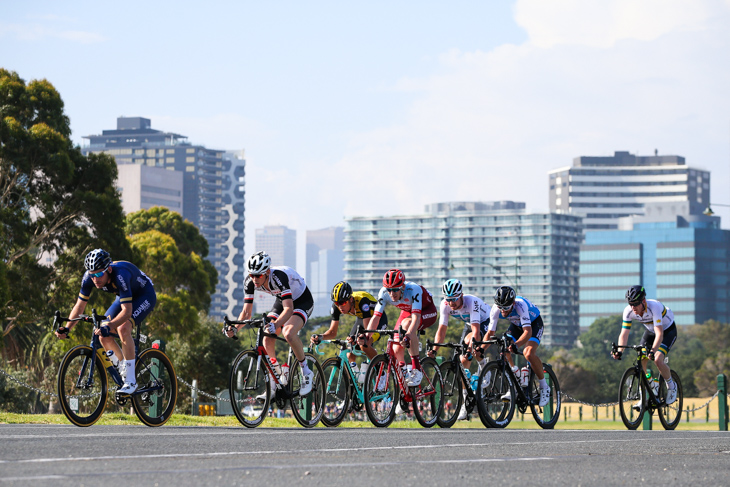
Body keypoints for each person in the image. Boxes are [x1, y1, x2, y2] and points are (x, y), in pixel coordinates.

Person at [55, 248, 156, 395]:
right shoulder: (89, 278)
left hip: (144, 295)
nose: (95, 279)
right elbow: (80, 306)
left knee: (122, 328)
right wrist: (68, 327)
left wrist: (111, 325)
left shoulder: (121, 275)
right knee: (102, 334)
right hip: (123, 297)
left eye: (99, 274)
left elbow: (127, 312)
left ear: (108, 269)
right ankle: (125, 369)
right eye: (92, 275)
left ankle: (131, 381)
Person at [224, 251, 315, 396]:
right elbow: (246, 313)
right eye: (252, 274)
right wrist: (235, 329)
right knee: (266, 337)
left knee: (288, 333)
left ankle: (306, 372)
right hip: (282, 299)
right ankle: (277, 380)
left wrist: (277, 324)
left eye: (258, 275)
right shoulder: (250, 281)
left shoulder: (278, 277)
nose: (254, 279)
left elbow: (289, 308)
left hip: (302, 301)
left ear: (267, 272)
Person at [427, 278, 492, 420]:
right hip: (469, 323)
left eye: (454, 299)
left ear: (461, 295)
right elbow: (441, 331)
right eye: (448, 299)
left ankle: (484, 367)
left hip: (486, 320)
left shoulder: (471, 302)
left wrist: (470, 350)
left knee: (472, 346)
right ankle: (465, 401)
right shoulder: (445, 305)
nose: (451, 303)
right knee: (463, 362)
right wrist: (435, 349)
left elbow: (476, 332)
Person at [366, 269, 438, 387]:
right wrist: (367, 335)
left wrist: (409, 334)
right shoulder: (383, 293)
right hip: (407, 312)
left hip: (426, 311)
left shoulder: (413, 289)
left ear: (402, 286)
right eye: (389, 290)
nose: (392, 293)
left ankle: (416, 369)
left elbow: (415, 318)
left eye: (395, 290)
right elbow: (376, 317)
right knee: (396, 346)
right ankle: (404, 374)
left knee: (406, 326)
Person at [610, 285, 678, 405]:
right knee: (641, 359)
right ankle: (650, 387)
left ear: (644, 301)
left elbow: (659, 334)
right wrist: (620, 351)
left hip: (667, 331)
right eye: (631, 303)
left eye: (636, 303)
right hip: (651, 332)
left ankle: (672, 386)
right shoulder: (628, 311)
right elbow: (624, 334)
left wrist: (652, 351)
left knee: (657, 359)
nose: (633, 307)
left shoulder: (655, 307)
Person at [310, 281, 388, 377]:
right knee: (350, 351)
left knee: (364, 343)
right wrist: (320, 337)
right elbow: (332, 332)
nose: (340, 306)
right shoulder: (336, 307)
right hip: (361, 318)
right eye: (336, 303)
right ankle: (356, 378)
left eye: (342, 302)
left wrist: (359, 338)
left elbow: (367, 331)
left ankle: (381, 373)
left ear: (350, 299)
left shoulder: (362, 301)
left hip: (378, 319)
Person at [489, 285, 550, 407]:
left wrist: (516, 345)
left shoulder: (520, 305)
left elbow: (527, 332)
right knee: (504, 346)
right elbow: (490, 333)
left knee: (528, 353)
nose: (503, 311)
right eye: (500, 307)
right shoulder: (496, 309)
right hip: (516, 326)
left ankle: (544, 387)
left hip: (533, 324)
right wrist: (480, 348)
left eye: (506, 307)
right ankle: (515, 378)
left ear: (513, 303)